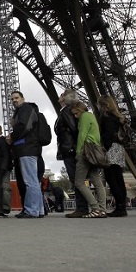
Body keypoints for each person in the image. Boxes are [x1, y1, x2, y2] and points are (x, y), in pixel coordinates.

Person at [8, 91, 44, 218]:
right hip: (30, 148)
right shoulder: (26, 110)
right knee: (33, 180)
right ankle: (38, 209)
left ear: (23, 98)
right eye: (12, 99)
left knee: (30, 181)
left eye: (16, 98)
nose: (14, 100)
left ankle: (32, 210)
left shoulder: (26, 109)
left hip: (27, 148)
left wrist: (12, 136)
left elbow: (23, 126)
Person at [71, 101, 108, 218]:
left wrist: (78, 152)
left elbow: (82, 135)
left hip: (86, 151)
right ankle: (102, 209)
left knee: (79, 182)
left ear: (80, 110)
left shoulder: (84, 116)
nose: (75, 116)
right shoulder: (91, 116)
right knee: (97, 181)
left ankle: (95, 207)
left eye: (76, 113)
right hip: (95, 151)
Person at [54, 89, 88, 218]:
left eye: (61, 94)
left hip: (69, 149)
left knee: (76, 179)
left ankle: (82, 207)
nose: (59, 96)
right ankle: (82, 206)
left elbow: (74, 129)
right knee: (77, 179)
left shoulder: (67, 111)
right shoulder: (66, 111)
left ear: (65, 98)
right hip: (70, 148)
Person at [97, 95, 129, 217]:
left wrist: (104, 148)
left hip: (110, 149)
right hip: (118, 148)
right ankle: (122, 206)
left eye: (98, 104)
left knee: (111, 178)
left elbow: (108, 134)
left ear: (103, 105)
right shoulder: (117, 117)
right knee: (118, 178)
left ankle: (120, 207)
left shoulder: (106, 117)